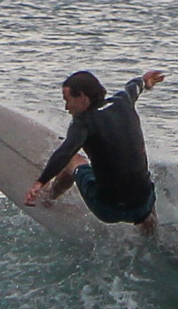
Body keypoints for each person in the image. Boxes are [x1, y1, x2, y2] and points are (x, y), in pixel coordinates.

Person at [24, 69, 167, 234]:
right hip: (143, 206)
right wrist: (145, 81)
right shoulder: (123, 101)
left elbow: (65, 153)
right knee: (141, 184)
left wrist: (40, 182)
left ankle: (49, 197)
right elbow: (134, 86)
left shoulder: (83, 123)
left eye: (68, 100)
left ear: (83, 98)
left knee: (74, 160)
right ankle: (152, 234)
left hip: (108, 209)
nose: (66, 107)